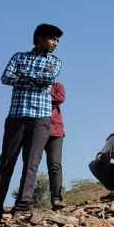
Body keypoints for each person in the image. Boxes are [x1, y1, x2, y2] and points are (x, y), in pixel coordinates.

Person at [0, 23, 63, 221]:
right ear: (39, 38)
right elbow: (5, 77)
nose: (56, 43)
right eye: (52, 39)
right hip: (17, 116)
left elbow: (47, 79)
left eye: (57, 40)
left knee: (31, 164)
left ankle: (21, 207)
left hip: (41, 118)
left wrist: (22, 76)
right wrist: (34, 78)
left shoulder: (55, 61)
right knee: (7, 162)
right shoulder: (19, 57)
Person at [45, 82, 66, 210]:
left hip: (55, 130)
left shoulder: (57, 86)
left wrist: (41, 96)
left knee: (55, 165)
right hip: (35, 130)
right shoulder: (32, 86)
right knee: (30, 165)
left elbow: (60, 98)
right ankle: (25, 201)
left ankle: (56, 198)